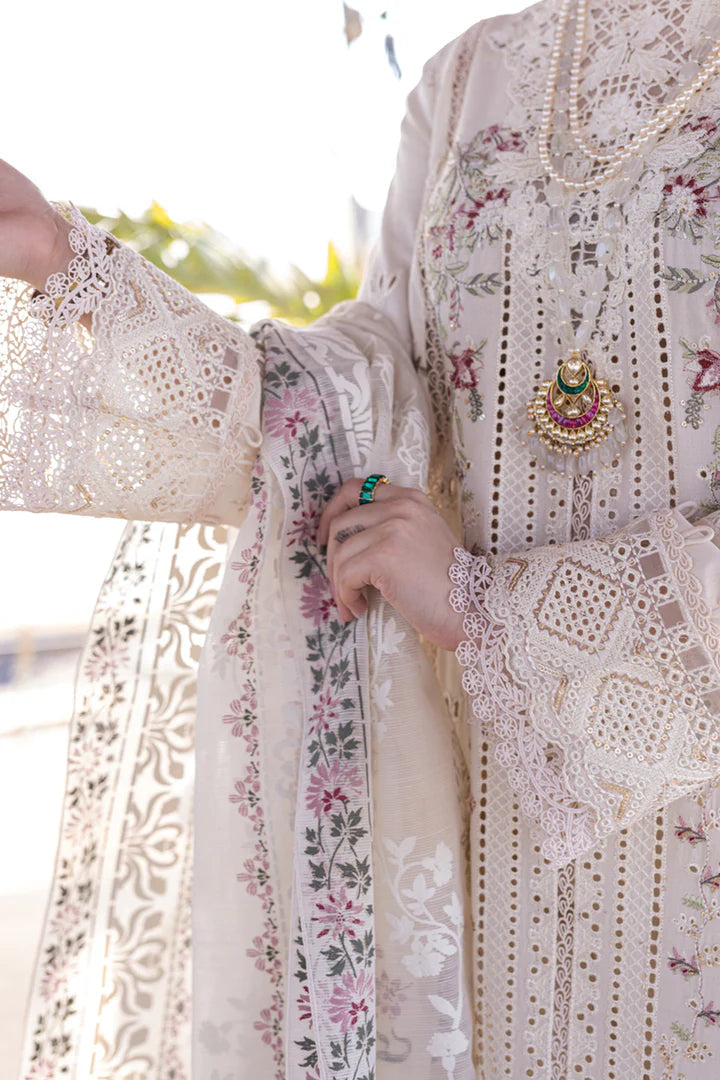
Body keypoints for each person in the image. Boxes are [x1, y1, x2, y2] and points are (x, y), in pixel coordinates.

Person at [3, 0, 720, 1077]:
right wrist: (75, 274)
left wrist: (493, 607)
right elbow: (360, 393)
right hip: (485, 838)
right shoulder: (470, 76)